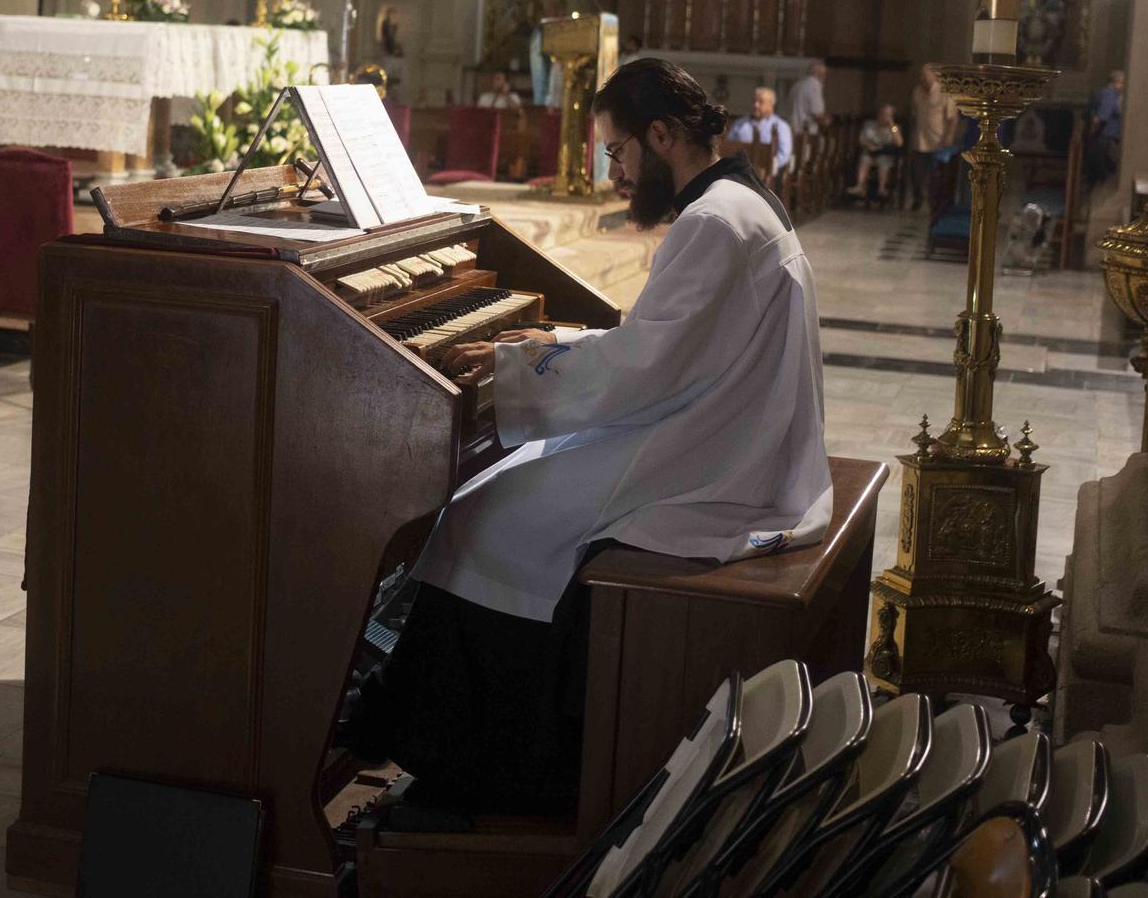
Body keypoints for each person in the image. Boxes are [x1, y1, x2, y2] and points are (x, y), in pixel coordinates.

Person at [345, 58, 833, 808]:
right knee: (508, 489)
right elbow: (660, 349)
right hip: (725, 428)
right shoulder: (739, 202)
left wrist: (518, 361)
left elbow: (640, 367)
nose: (615, 172)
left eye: (618, 151)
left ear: (661, 136)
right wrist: (549, 346)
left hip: (716, 462)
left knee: (482, 517)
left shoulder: (710, 221)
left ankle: (467, 760)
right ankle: (405, 712)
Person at [907, 65, 959, 210]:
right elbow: (915, 113)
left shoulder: (945, 91)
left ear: (935, 76)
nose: (923, 78)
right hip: (920, 140)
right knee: (916, 173)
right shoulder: (917, 92)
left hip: (938, 141)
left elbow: (953, 117)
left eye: (926, 75)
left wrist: (949, 136)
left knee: (935, 176)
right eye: (921, 75)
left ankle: (935, 203)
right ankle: (918, 198)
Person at [725, 85, 794, 175]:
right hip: (739, 172)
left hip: (768, 174)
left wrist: (767, 169)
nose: (756, 105)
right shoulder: (739, 124)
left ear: (771, 104)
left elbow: (784, 155)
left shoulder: (781, 127)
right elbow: (729, 148)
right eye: (754, 101)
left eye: (761, 102)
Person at [849, 104, 906, 200]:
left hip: (885, 153)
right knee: (864, 159)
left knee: (883, 162)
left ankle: (881, 188)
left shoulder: (895, 127)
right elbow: (862, 140)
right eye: (881, 114)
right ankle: (860, 186)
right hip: (870, 151)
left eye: (887, 115)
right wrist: (869, 146)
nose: (883, 116)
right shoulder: (869, 124)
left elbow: (899, 143)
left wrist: (892, 125)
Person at [1086, 69, 1124, 183]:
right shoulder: (1109, 94)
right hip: (1106, 134)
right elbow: (1102, 117)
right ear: (1116, 82)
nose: (1122, 87)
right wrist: (1094, 130)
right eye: (1122, 83)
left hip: (1104, 134)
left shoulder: (1103, 92)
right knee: (1104, 165)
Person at [786, 59, 828, 136]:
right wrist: (827, 120)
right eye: (824, 74)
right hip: (806, 134)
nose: (824, 78)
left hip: (791, 131)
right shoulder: (814, 85)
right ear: (818, 74)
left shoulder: (796, 85)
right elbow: (817, 114)